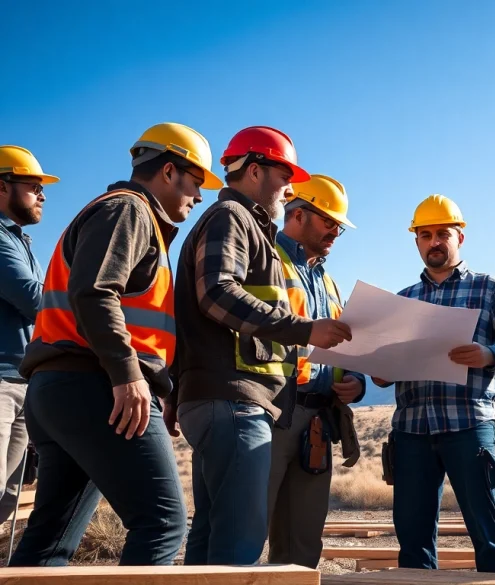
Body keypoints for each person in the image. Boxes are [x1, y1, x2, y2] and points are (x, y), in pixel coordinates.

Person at [11, 123, 221, 566]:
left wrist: (159, 384)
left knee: (50, 539)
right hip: (95, 386)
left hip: (65, 388)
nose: (199, 196)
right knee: (163, 523)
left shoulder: (124, 215)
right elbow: (94, 293)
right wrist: (128, 374)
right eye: (196, 181)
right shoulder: (128, 210)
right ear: (168, 171)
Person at [169, 126, 353, 565]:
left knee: (215, 533)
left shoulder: (241, 225)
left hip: (231, 399)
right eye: (285, 174)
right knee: (239, 544)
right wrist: (305, 330)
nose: (289, 187)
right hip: (234, 398)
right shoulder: (231, 218)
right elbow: (215, 293)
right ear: (254, 170)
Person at [374, 194, 495, 573]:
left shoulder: (488, 288)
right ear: (416, 241)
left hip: (469, 428)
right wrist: (380, 371)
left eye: (442, 233)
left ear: (459, 237)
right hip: (412, 430)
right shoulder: (403, 300)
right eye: (425, 234)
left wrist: (488, 354)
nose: (434, 241)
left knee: (487, 533)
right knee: (412, 538)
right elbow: (385, 367)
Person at [267, 174, 366, 568]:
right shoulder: (267, 258)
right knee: (248, 527)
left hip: (317, 422)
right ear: (299, 214)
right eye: (329, 222)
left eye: (339, 226)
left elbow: (341, 352)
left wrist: (353, 383)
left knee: (304, 541)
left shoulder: (328, 281)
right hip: (274, 412)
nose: (336, 233)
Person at [0, 146, 56, 524]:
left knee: (6, 498)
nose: (43, 194)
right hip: (1, 383)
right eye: (33, 185)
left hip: (20, 380)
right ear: (3, 186)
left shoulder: (21, 241)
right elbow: (33, 297)